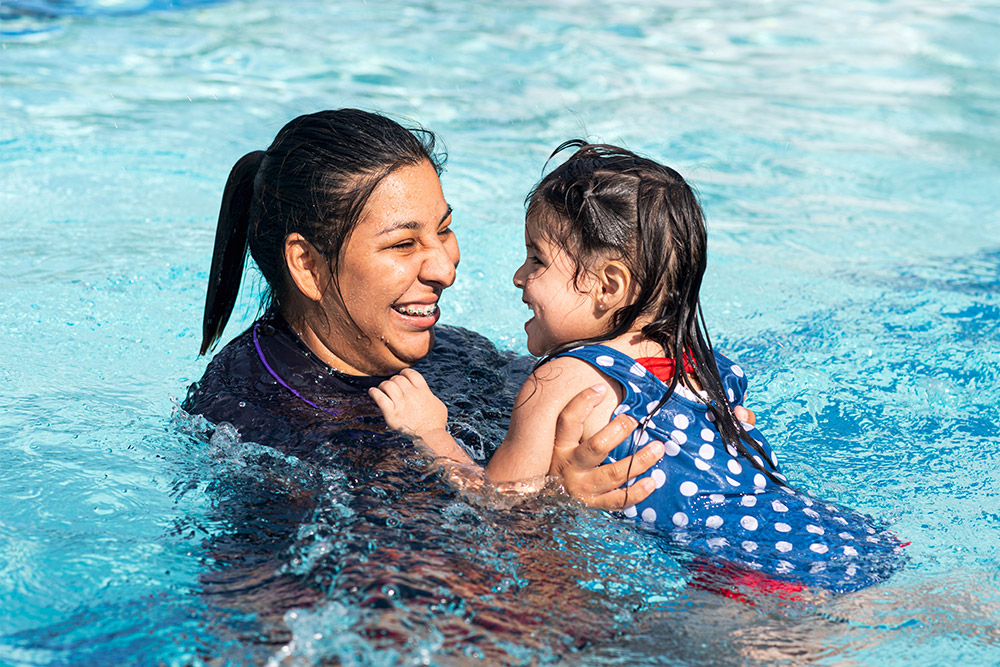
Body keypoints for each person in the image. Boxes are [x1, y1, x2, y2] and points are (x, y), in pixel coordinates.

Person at [184, 110, 770, 659]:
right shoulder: (259, 420)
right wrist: (553, 503)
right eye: (402, 244)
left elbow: (594, 401)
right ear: (308, 266)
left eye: (444, 231)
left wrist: (688, 424)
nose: (444, 267)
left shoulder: (450, 351)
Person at [372, 141, 906, 594]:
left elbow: (502, 507)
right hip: (834, 535)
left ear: (609, 287)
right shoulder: (702, 365)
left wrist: (431, 433)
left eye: (536, 259)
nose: (518, 276)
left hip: (747, 577)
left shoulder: (560, 380)